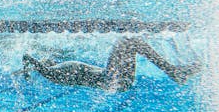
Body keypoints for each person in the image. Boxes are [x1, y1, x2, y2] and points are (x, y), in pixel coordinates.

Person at [14, 37, 201, 92]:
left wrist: (28, 68)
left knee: (131, 42)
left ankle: (174, 71)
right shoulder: (52, 74)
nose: (45, 59)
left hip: (115, 80)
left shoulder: (57, 68)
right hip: (113, 81)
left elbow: (44, 60)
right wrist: (26, 67)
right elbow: (27, 57)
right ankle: (173, 72)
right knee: (128, 41)